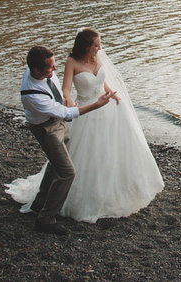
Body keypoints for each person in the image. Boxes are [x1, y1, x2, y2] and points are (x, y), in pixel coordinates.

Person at [6, 29, 164, 224]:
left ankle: (113, 189)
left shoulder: (97, 58)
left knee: (111, 151)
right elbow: (65, 89)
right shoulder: (71, 63)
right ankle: (58, 205)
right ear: (86, 46)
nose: (99, 48)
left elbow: (102, 81)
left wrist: (113, 94)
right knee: (84, 155)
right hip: (86, 110)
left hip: (107, 110)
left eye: (99, 44)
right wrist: (70, 99)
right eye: (96, 45)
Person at [14, 45, 113, 236]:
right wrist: (96, 105)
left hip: (57, 122)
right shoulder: (33, 96)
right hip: (47, 129)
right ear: (36, 70)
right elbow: (67, 114)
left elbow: (61, 102)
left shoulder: (35, 67)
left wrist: (66, 97)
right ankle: (45, 219)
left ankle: (40, 202)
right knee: (67, 172)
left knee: (55, 164)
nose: (55, 70)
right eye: (50, 68)